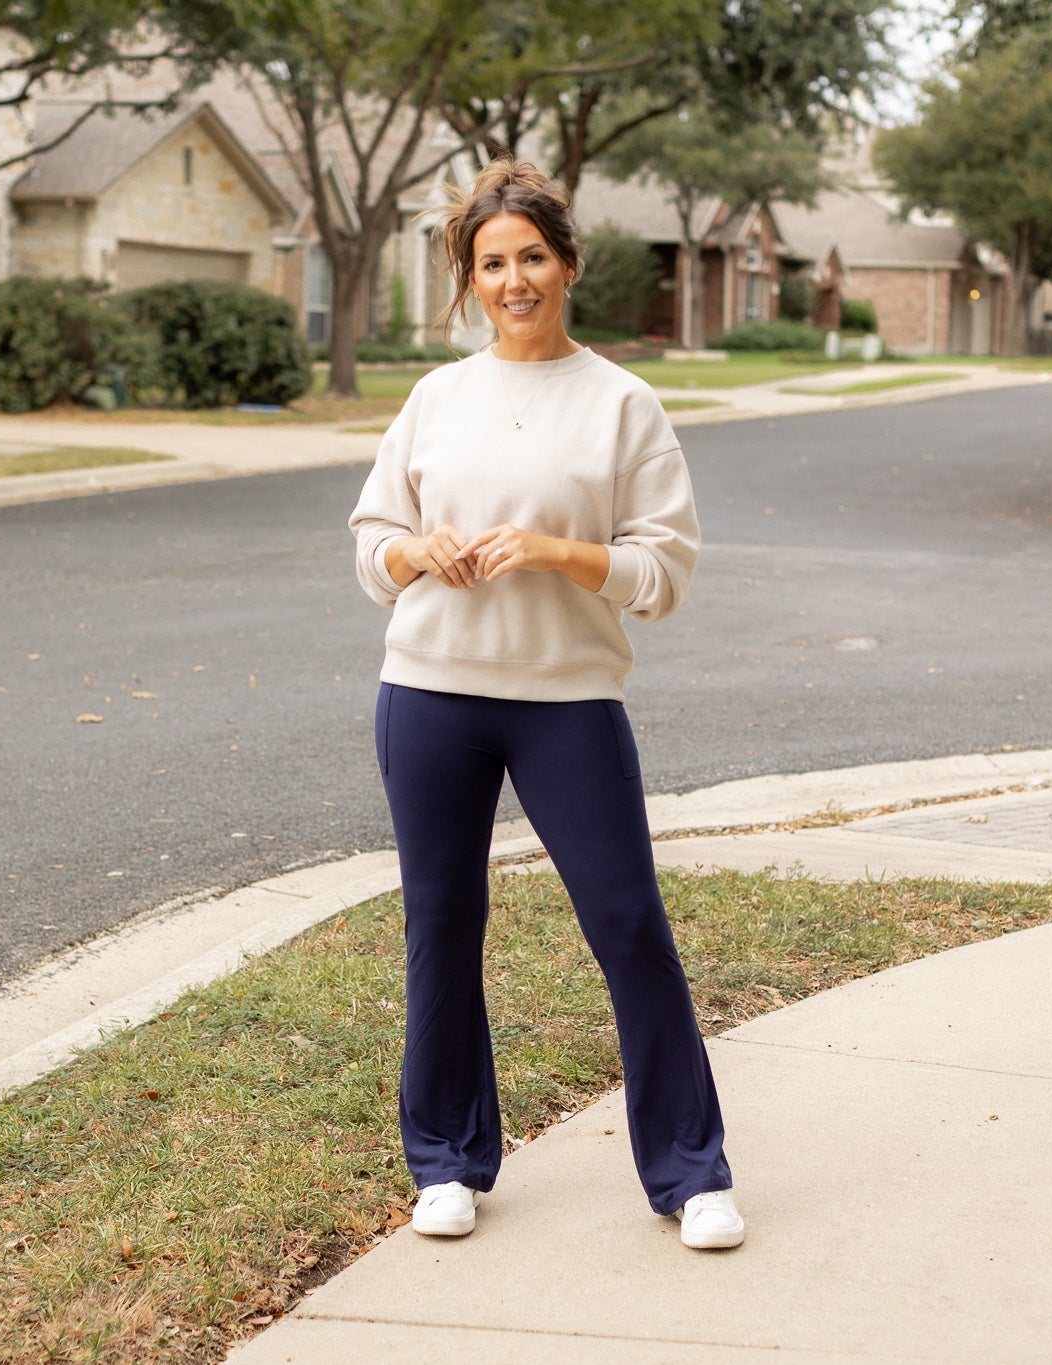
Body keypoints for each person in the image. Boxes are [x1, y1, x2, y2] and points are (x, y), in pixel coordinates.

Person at [347, 157, 742, 1251]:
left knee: (625, 924)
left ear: (565, 265)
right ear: (467, 282)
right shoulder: (437, 397)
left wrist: (558, 551)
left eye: (530, 257)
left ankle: (689, 1171)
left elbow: (661, 575)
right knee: (441, 922)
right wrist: (419, 552)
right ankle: (446, 1162)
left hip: (565, 700)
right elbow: (371, 545)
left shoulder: (621, 402)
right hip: (428, 694)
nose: (513, 279)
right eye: (490, 264)